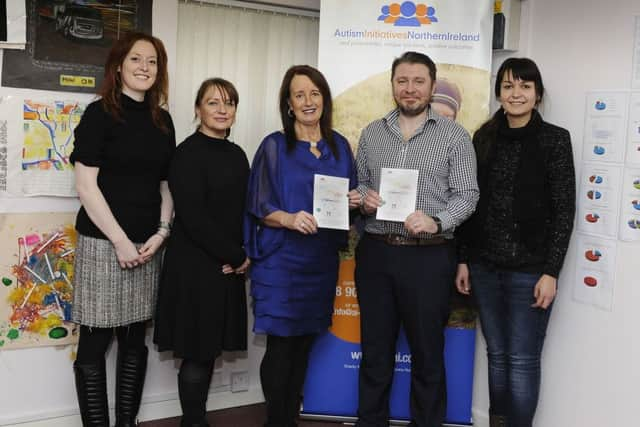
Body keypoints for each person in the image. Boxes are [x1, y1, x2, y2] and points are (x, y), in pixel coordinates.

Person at [354, 51, 479, 427]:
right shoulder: (373, 133)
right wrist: (365, 199)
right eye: (402, 81)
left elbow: (468, 194)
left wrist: (437, 220)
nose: (409, 89)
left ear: (431, 85)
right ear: (393, 85)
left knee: (427, 354)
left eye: (418, 81)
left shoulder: (455, 136)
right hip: (376, 254)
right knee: (375, 352)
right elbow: (361, 183)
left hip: (428, 258)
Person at [455, 58, 575, 427]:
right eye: (508, 86)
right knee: (497, 354)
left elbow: (564, 211)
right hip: (485, 268)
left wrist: (550, 272)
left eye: (524, 86)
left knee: (522, 359)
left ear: (537, 94)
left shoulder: (555, 140)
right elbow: (470, 201)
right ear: (499, 94)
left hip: (530, 273)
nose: (516, 93)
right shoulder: (484, 136)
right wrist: (464, 259)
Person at [244, 65, 359, 427]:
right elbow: (259, 205)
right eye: (299, 95)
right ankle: (276, 420)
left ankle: (288, 418)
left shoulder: (339, 146)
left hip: (320, 261)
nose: (308, 101)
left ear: (323, 98)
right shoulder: (275, 146)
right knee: (281, 346)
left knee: (305, 343)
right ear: (289, 104)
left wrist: (353, 201)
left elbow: (347, 203)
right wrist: (290, 218)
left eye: (315, 93)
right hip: (281, 261)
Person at [69, 32, 175, 426]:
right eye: (136, 60)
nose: (145, 67)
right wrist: (119, 241)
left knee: (134, 341)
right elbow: (85, 186)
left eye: (152, 61)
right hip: (103, 245)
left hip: (148, 245)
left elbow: (167, 186)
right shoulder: (98, 115)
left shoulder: (163, 120)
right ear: (118, 66)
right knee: (94, 346)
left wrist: (162, 232)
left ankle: (126, 422)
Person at [153, 78, 250, 427]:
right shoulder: (186, 154)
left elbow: (241, 211)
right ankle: (193, 423)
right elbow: (193, 218)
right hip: (194, 268)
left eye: (229, 103)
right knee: (196, 352)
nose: (223, 109)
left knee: (209, 352)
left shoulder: (238, 155)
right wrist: (237, 257)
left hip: (225, 265)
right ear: (198, 109)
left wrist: (240, 255)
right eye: (213, 103)